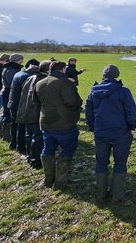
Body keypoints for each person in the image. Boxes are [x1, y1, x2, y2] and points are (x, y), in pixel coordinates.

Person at [85, 65, 136, 203]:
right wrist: (132, 127)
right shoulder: (123, 91)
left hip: (101, 132)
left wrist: (92, 127)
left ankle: (101, 194)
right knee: (120, 162)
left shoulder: (93, 92)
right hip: (121, 132)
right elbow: (131, 111)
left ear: (103, 76)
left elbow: (88, 112)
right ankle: (118, 195)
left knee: (101, 162)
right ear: (116, 76)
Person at [35, 61, 83, 190]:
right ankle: (61, 182)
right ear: (62, 69)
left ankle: (48, 179)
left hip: (45, 121)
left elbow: (36, 101)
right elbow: (73, 101)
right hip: (64, 122)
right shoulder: (65, 83)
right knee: (68, 149)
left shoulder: (40, 82)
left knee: (48, 148)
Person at [17, 60, 51, 169]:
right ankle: (36, 161)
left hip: (25, 110)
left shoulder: (30, 77)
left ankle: (29, 156)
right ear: (48, 69)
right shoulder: (42, 80)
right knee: (37, 137)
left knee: (29, 135)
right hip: (35, 112)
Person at [7, 58, 40, 152]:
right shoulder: (26, 77)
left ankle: (13, 143)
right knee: (21, 126)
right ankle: (20, 146)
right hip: (19, 105)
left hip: (13, 102)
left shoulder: (19, 73)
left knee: (14, 125)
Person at [0, 53, 24, 141]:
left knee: (6, 114)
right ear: (17, 60)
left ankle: (4, 134)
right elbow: (12, 84)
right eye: (21, 60)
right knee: (8, 115)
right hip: (8, 93)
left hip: (5, 92)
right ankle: (7, 135)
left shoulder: (8, 68)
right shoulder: (12, 70)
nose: (22, 62)